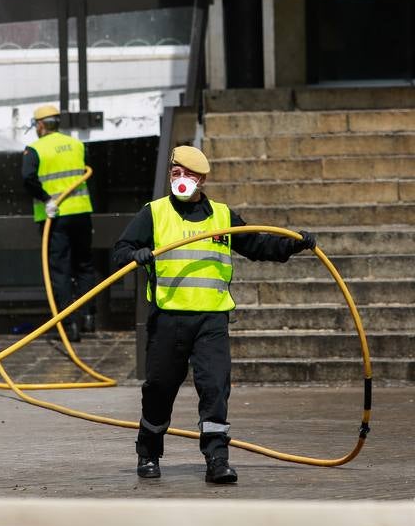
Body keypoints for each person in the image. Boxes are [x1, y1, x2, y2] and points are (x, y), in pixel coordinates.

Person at [112, 144, 316, 485]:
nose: (180, 179)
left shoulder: (222, 216)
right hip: (169, 320)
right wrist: (138, 254)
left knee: (215, 388)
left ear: (202, 179)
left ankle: (217, 459)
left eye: (188, 174)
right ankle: (148, 453)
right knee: (159, 389)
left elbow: (256, 245)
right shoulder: (155, 212)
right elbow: (120, 251)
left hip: (212, 321)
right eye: (175, 173)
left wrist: (293, 244)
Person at [22, 104, 96, 343]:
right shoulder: (76, 144)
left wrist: (46, 199)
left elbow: (27, 178)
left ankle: (69, 323)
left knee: (61, 271)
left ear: (41, 125)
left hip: (55, 217)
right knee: (84, 265)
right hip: (82, 213)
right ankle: (88, 317)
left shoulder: (34, 149)